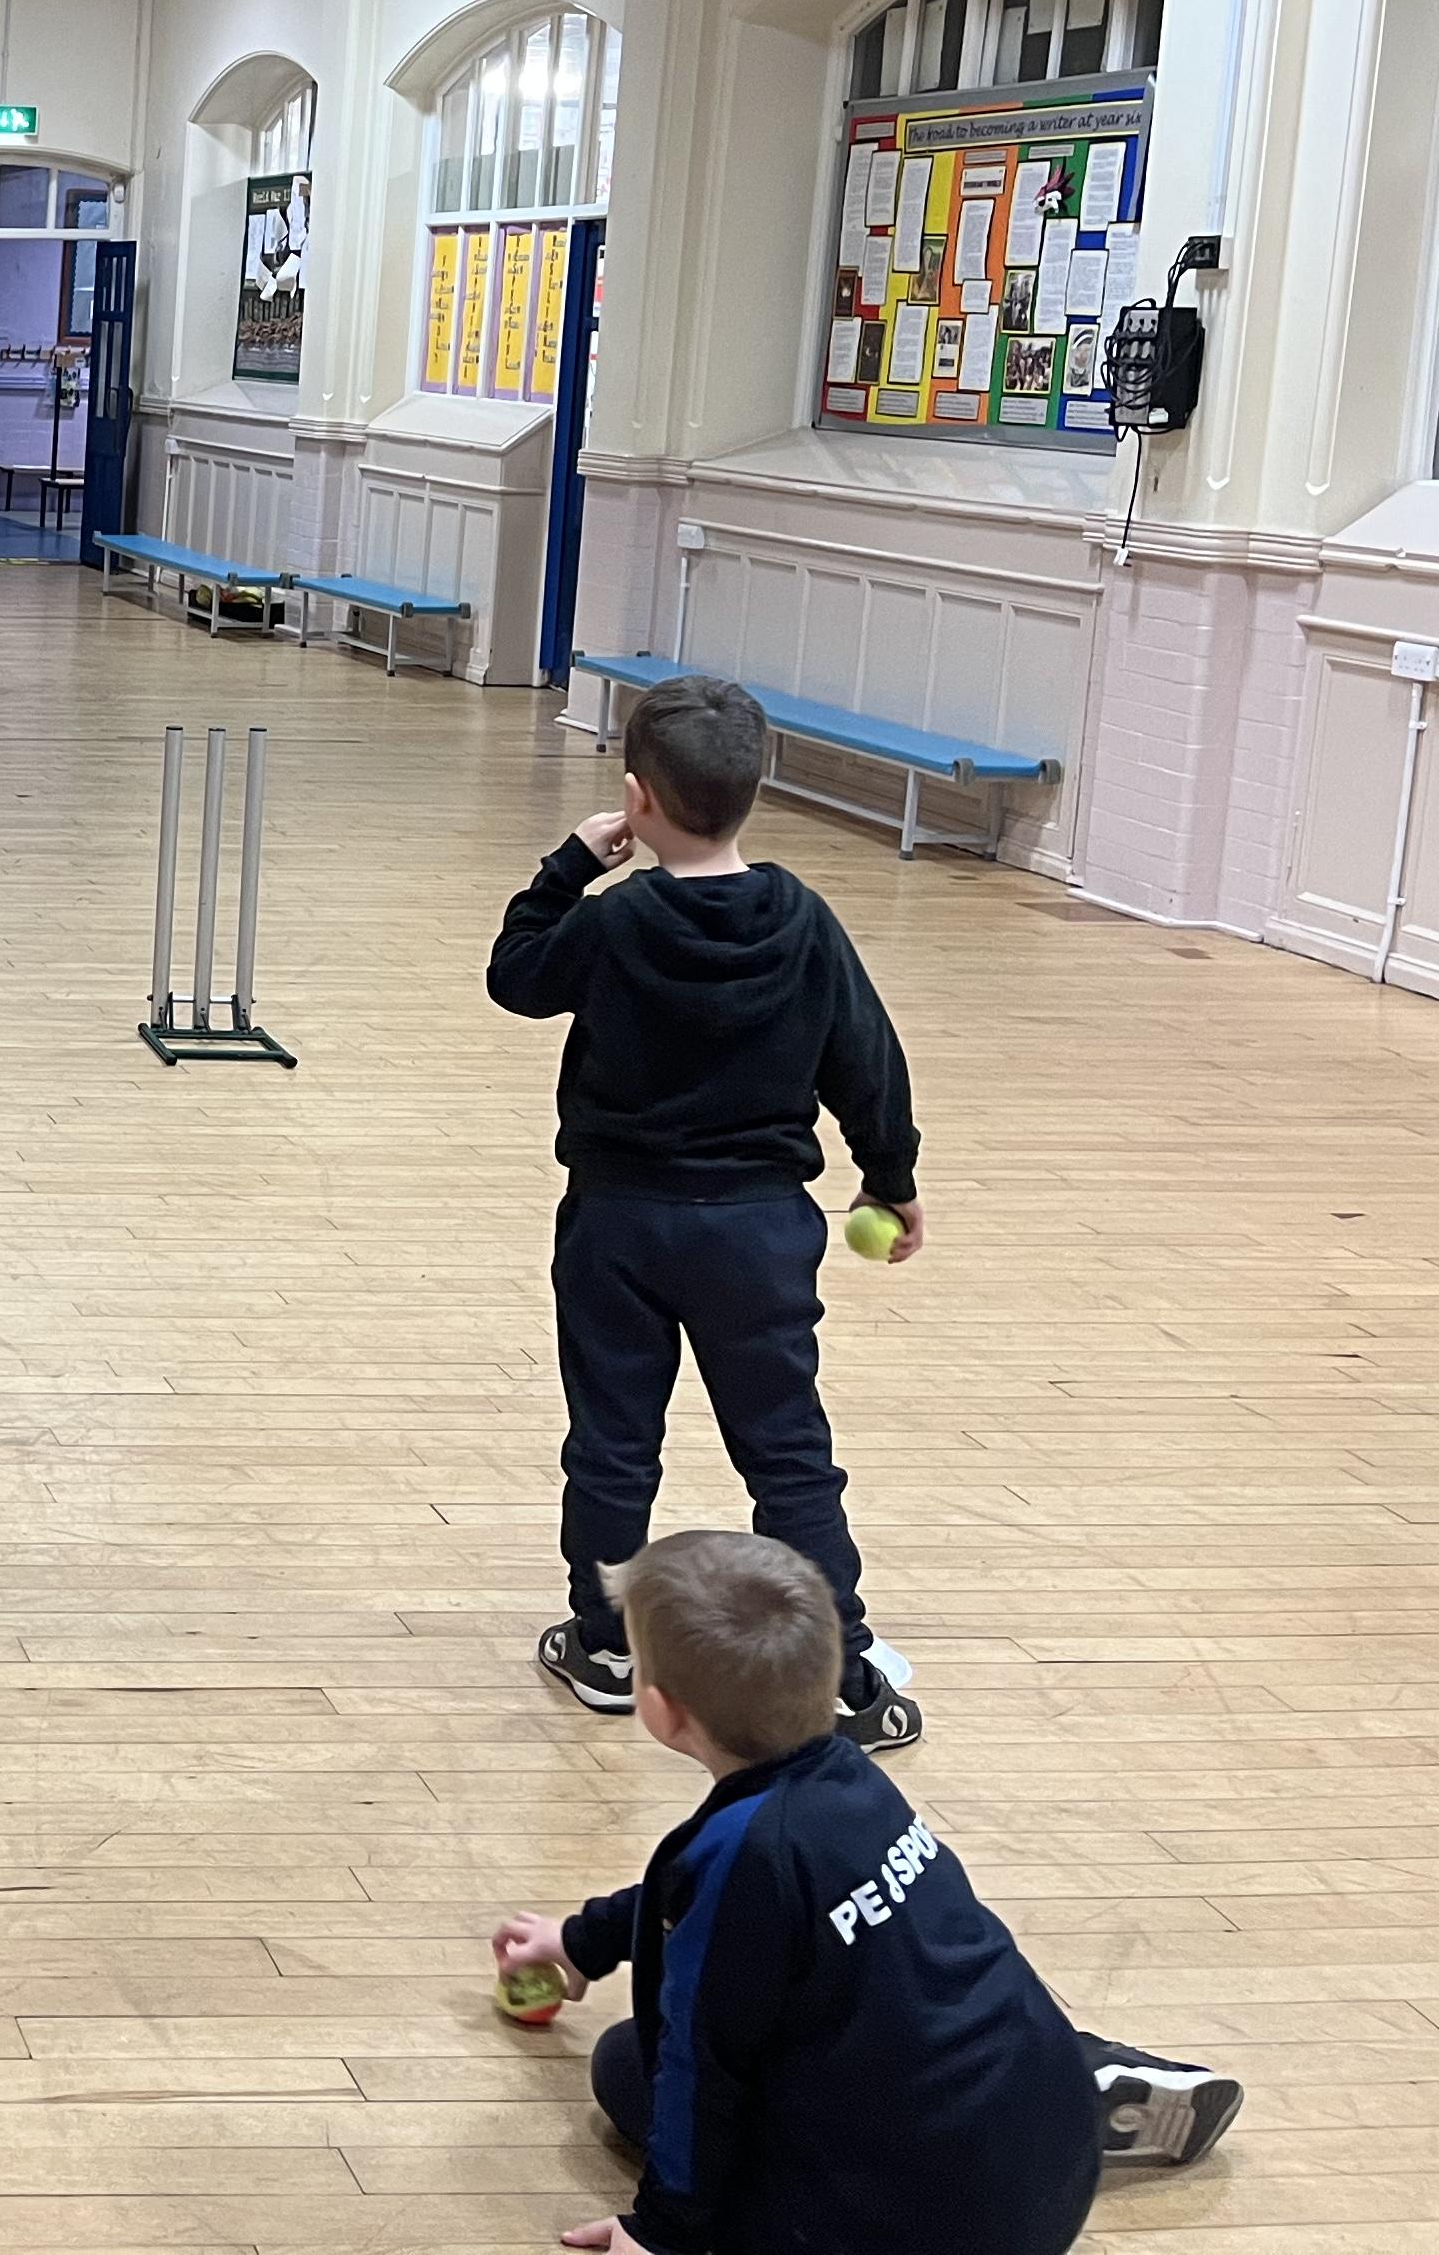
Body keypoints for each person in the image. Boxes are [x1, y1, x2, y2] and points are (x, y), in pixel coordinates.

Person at [492, 1530, 1240, 2255]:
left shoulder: (747, 1851)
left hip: (915, 2233)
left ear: (660, 1711)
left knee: (629, 2068)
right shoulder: (855, 1785)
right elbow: (712, 1896)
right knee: (905, 2000)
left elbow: (699, 2066)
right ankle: (1078, 2078)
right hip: (1054, 2138)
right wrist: (583, 1940)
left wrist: (663, 2231)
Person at [487, 673, 921, 1748]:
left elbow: (517, 977)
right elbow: (868, 1061)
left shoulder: (615, 921)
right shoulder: (804, 921)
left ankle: (604, 1645)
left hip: (619, 1225)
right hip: (759, 1231)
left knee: (613, 1443)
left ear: (637, 798)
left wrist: (568, 868)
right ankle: (841, 1669)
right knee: (787, 1448)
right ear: (755, 790)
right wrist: (891, 1177)